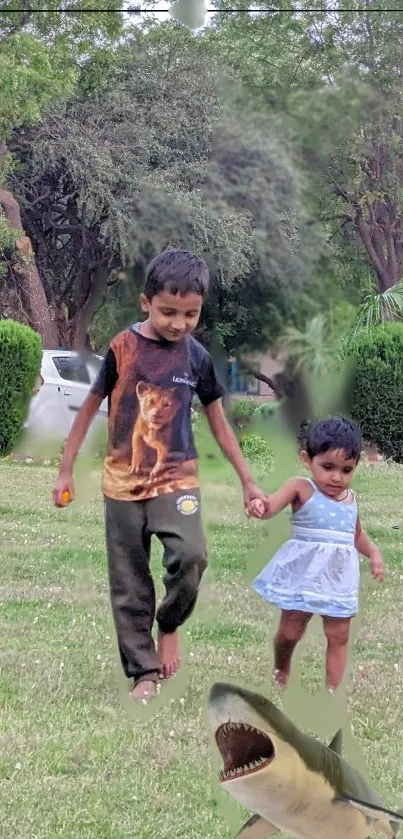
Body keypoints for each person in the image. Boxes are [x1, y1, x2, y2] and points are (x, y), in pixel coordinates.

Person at [52, 248, 266, 702]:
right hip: (122, 483)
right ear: (146, 302)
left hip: (176, 479)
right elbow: (88, 409)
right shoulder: (121, 349)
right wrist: (66, 470)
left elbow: (218, 422)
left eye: (191, 314)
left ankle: (169, 623)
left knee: (191, 556)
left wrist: (248, 480)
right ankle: (143, 672)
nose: (179, 323)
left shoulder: (197, 358)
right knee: (129, 580)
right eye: (169, 312)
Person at [248, 416, 385, 692]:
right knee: (290, 631)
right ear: (307, 459)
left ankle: (332, 691)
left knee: (339, 635)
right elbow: (272, 505)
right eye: (328, 467)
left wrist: (374, 553)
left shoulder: (351, 500)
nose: (337, 477)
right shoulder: (301, 487)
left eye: (347, 470)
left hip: (337, 579)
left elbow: (356, 534)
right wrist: (260, 507)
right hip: (304, 575)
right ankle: (281, 667)